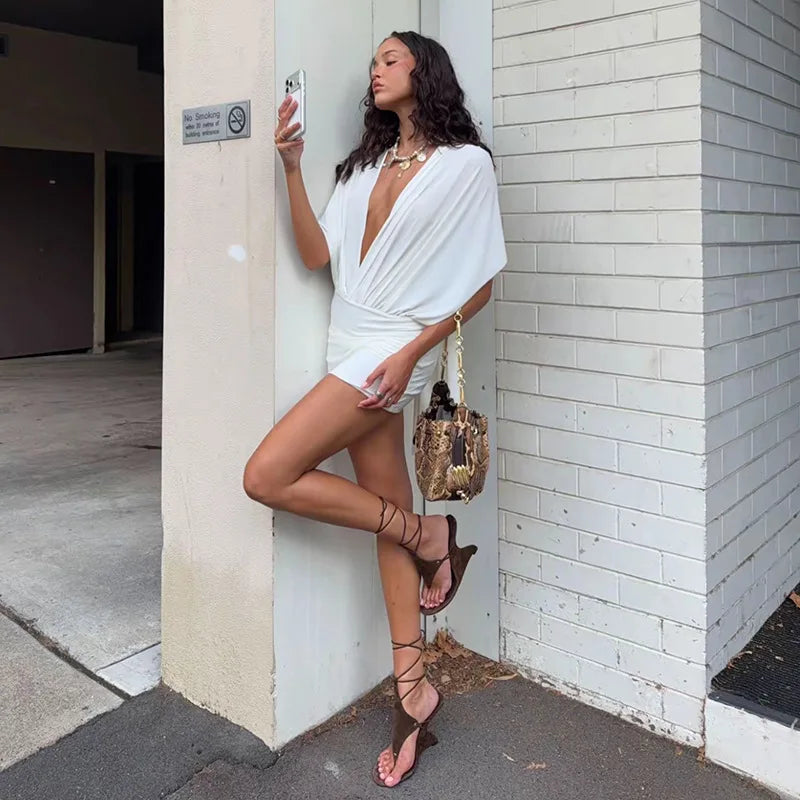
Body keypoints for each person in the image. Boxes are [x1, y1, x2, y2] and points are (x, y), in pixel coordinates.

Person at [243, 30, 506, 788]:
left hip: (394, 349)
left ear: (425, 71)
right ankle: (415, 690)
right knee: (385, 504)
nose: (376, 70)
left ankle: (429, 532)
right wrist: (292, 169)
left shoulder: (465, 167)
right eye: (373, 63)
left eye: (391, 59)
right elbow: (319, 256)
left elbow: (480, 283)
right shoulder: (364, 167)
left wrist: (410, 352)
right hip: (348, 338)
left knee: (267, 474)